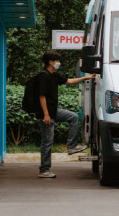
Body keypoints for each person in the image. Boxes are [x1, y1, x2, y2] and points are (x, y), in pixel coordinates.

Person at [36, 50, 95, 178]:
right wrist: (46, 115)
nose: (59, 63)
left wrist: (85, 78)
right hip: (45, 114)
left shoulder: (54, 75)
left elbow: (68, 81)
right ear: (51, 62)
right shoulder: (44, 76)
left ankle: (71, 146)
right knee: (47, 142)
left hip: (54, 112)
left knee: (73, 117)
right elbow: (41, 96)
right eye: (57, 61)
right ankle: (44, 170)